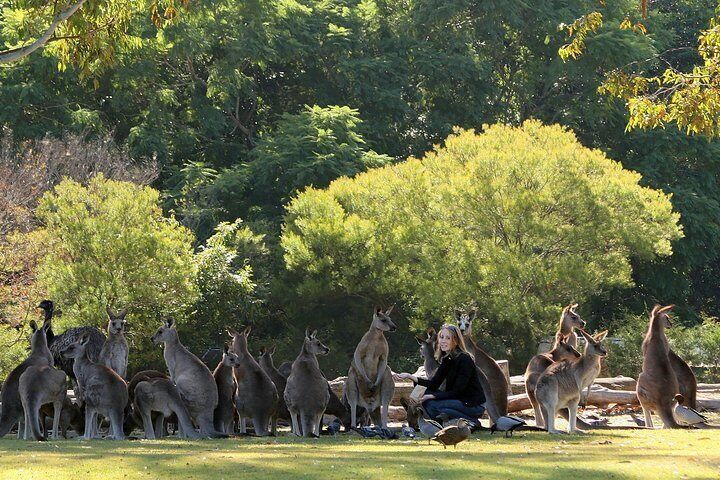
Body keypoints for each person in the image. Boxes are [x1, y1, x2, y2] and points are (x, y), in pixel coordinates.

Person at [394, 324, 486, 423]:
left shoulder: (464, 358)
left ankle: (471, 421)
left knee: (432, 405)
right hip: (458, 400)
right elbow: (434, 383)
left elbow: (457, 392)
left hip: (472, 404)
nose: (443, 341)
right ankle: (447, 417)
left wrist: (432, 396)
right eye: (441, 337)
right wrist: (409, 376)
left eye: (447, 338)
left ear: (455, 340)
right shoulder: (448, 359)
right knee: (426, 397)